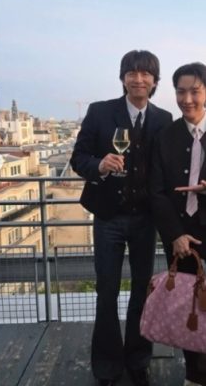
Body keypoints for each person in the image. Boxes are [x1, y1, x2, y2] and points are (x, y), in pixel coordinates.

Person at [70, 50, 172, 386]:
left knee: (142, 290)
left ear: (154, 81)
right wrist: (99, 165)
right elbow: (78, 157)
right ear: (123, 77)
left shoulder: (163, 119)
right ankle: (107, 365)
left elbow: (168, 168)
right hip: (108, 217)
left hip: (145, 219)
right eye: (132, 73)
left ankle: (138, 359)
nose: (138, 79)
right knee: (107, 291)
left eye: (145, 74)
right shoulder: (100, 112)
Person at [150, 62, 206, 386]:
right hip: (181, 235)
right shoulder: (166, 137)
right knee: (189, 306)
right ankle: (194, 375)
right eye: (181, 92)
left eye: (195, 91)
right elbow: (156, 192)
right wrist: (175, 234)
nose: (187, 99)